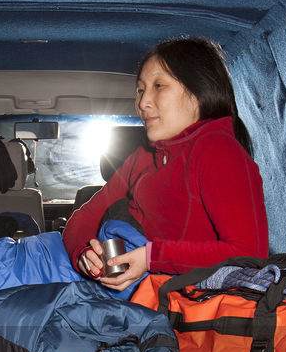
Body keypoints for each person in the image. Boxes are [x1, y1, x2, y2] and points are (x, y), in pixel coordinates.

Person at [62, 36, 269, 290]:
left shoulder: (217, 150)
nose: (142, 102)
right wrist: (84, 254)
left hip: (180, 301)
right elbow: (84, 217)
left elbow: (248, 255)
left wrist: (151, 258)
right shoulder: (145, 155)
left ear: (198, 93)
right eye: (140, 89)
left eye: (159, 85)